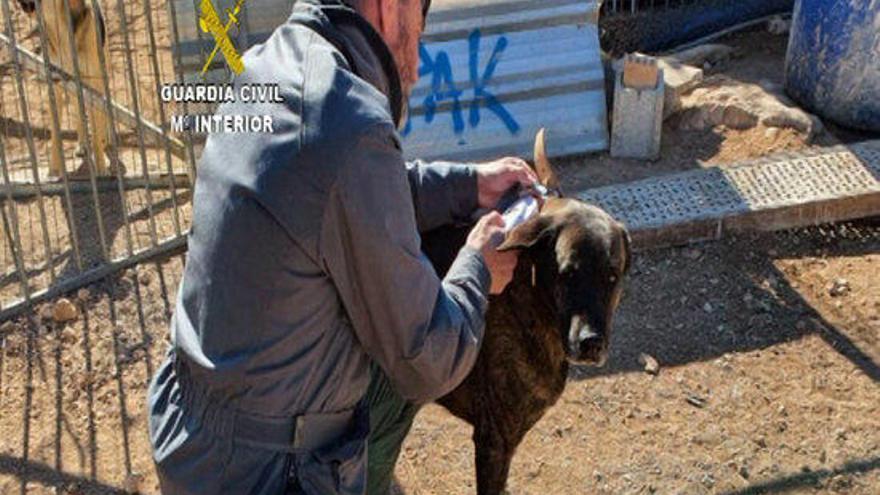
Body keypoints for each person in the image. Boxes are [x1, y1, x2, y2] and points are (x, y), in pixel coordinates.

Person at [146, 0, 538, 493]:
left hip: (195, 429)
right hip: (269, 472)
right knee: (400, 356)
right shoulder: (347, 121)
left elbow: (343, 195)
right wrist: (477, 267)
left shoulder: (268, 66)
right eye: (416, 35)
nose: (415, 66)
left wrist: (467, 186)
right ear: (388, 7)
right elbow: (428, 357)